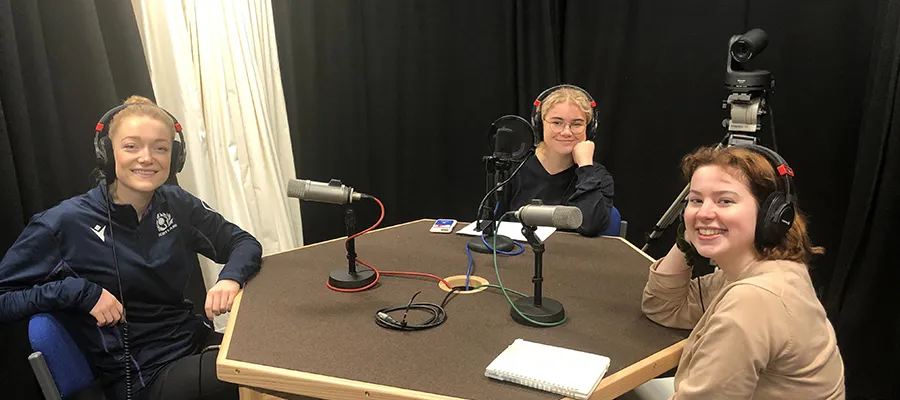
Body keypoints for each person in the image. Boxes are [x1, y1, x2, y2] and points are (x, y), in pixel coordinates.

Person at [0, 96, 262, 400]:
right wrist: (77, 292)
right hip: (143, 377)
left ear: (174, 157)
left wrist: (229, 277)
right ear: (108, 155)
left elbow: (243, 242)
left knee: (282, 354)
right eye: (131, 146)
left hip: (193, 341)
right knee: (263, 376)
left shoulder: (176, 203)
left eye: (160, 148)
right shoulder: (63, 223)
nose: (147, 157)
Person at [638, 144, 845, 399]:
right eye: (696, 200)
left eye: (725, 201)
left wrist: (703, 227)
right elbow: (663, 307)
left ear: (770, 214)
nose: (704, 212)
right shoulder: (765, 270)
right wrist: (689, 236)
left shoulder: (755, 299)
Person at [498, 84, 614, 236]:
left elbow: (591, 226)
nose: (566, 132)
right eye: (557, 123)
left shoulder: (598, 176)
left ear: (589, 128)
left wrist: (585, 167)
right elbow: (492, 229)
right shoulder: (514, 172)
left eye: (577, 124)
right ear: (540, 126)